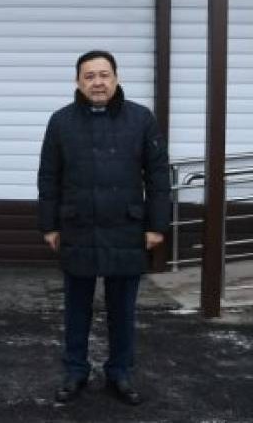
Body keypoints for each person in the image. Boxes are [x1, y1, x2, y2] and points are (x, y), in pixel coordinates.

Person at [37, 50, 171, 407]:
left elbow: (158, 176)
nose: (97, 82)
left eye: (104, 75)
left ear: (116, 78)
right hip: (77, 227)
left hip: (126, 228)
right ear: (78, 82)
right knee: (76, 308)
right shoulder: (61, 122)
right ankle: (75, 371)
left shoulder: (141, 119)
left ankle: (120, 373)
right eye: (89, 76)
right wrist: (49, 225)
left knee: (122, 309)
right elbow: (49, 177)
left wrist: (157, 225)